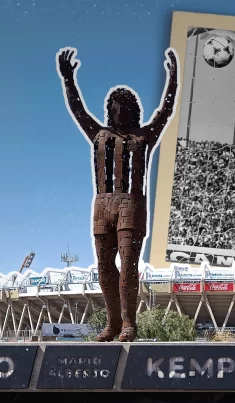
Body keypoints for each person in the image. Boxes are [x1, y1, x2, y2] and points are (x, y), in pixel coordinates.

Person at [57, 47, 179, 342]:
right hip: (102, 205)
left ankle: (128, 324)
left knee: (128, 264)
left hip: (131, 204)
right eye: (114, 104)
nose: (119, 109)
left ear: (134, 109)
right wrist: (68, 79)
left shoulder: (143, 137)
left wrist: (173, 79)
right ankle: (112, 324)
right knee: (103, 266)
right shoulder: (99, 135)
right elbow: (78, 110)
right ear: (109, 110)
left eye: (125, 105)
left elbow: (165, 110)